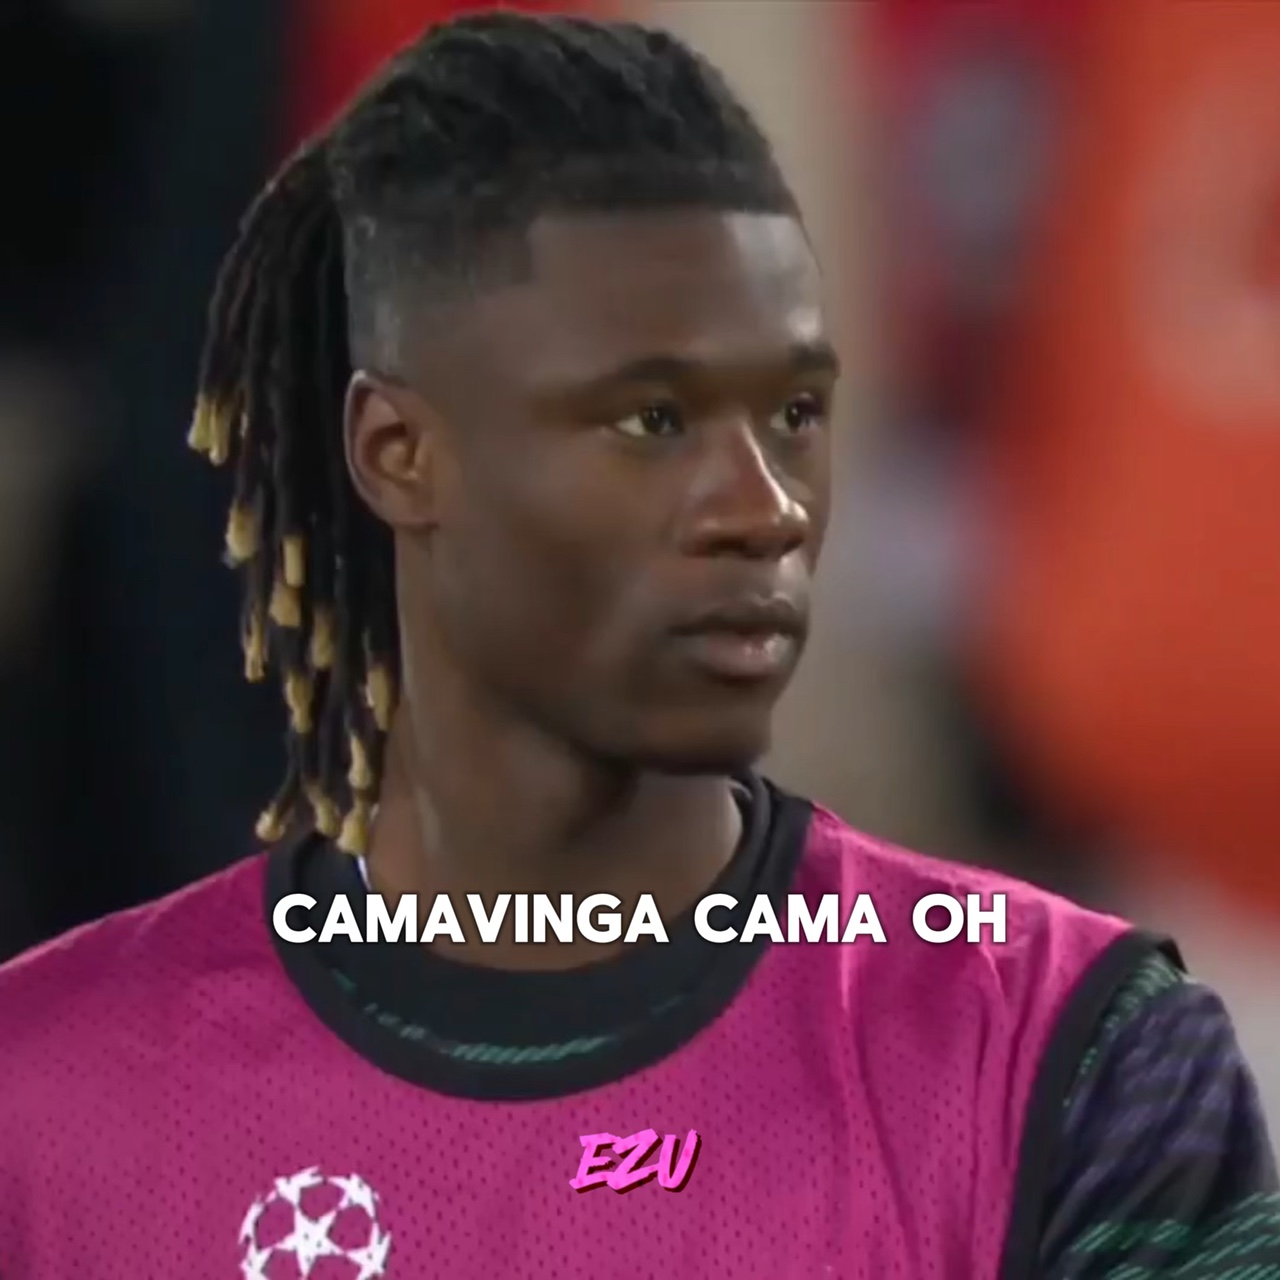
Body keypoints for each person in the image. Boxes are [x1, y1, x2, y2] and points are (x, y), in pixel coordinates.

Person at [0, 12, 1276, 1279]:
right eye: (644, 420)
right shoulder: (79, 1087)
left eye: (785, 412)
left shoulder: (1069, 1044)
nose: (747, 503)